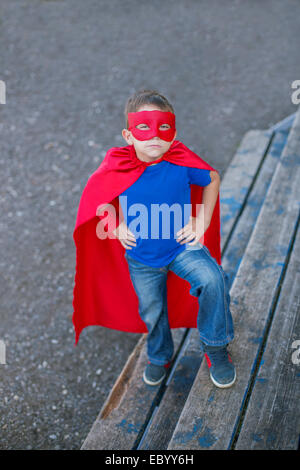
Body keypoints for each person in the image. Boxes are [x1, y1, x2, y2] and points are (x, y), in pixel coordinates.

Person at [72, 89, 235, 389]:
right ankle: (160, 356)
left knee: (213, 279)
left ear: (173, 133)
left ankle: (215, 347)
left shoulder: (181, 162)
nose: (154, 137)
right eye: (143, 128)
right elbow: (99, 198)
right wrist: (114, 222)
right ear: (128, 135)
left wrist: (203, 219)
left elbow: (211, 178)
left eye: (164, 128)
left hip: (181, 247)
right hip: (142, 257)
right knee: (152, 308)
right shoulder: (118, 165)